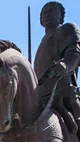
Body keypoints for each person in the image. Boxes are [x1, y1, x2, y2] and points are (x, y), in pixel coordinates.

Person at [34, 1, 80, 134]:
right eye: (44, 12)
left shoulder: (67, 29)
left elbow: (75, 53)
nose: (47, 14)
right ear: (40, 20)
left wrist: (65, 64)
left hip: (62, 90)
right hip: (40, 98)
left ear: (60, 15)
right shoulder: (41, 44)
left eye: (51, 10)